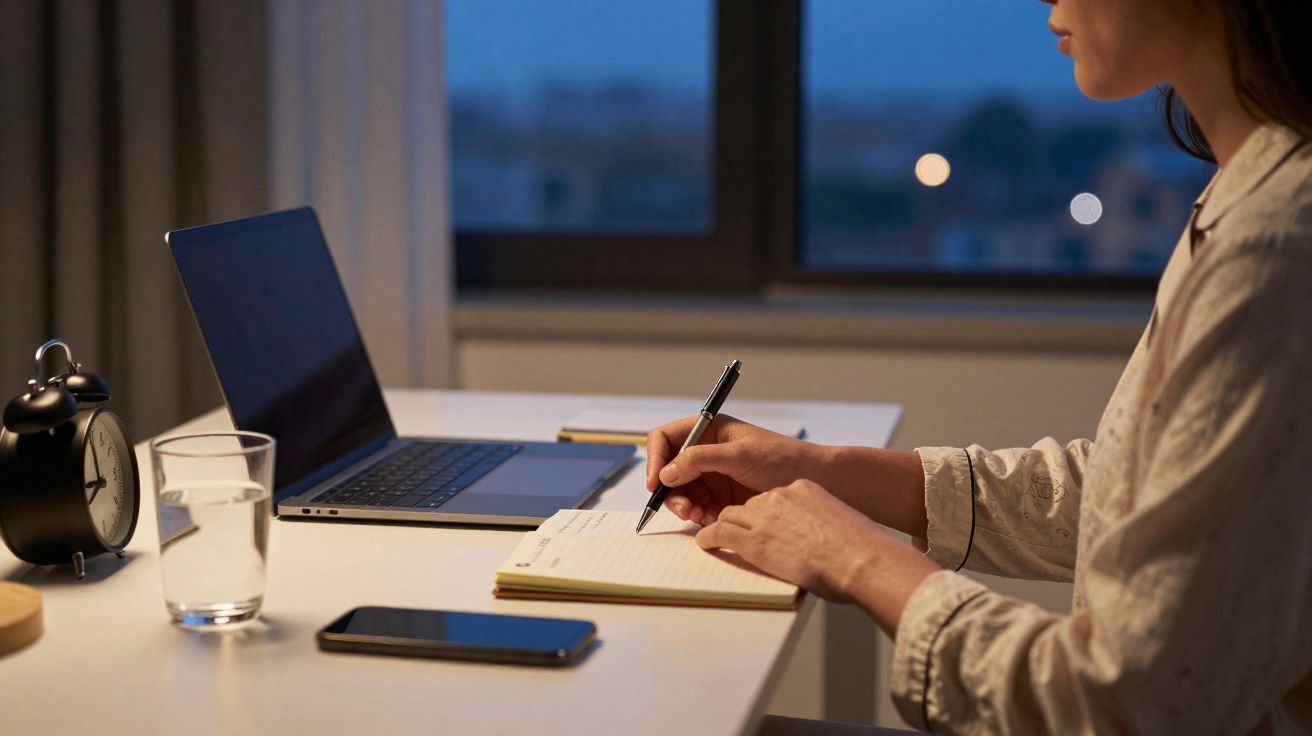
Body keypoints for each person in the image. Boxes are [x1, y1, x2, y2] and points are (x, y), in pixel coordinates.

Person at [646, 0, 1312, 733]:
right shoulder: (1247, 193)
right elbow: (1132, 494)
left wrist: (853, 558)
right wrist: (819, 470)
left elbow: (1122, 702)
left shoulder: (1275, 250)